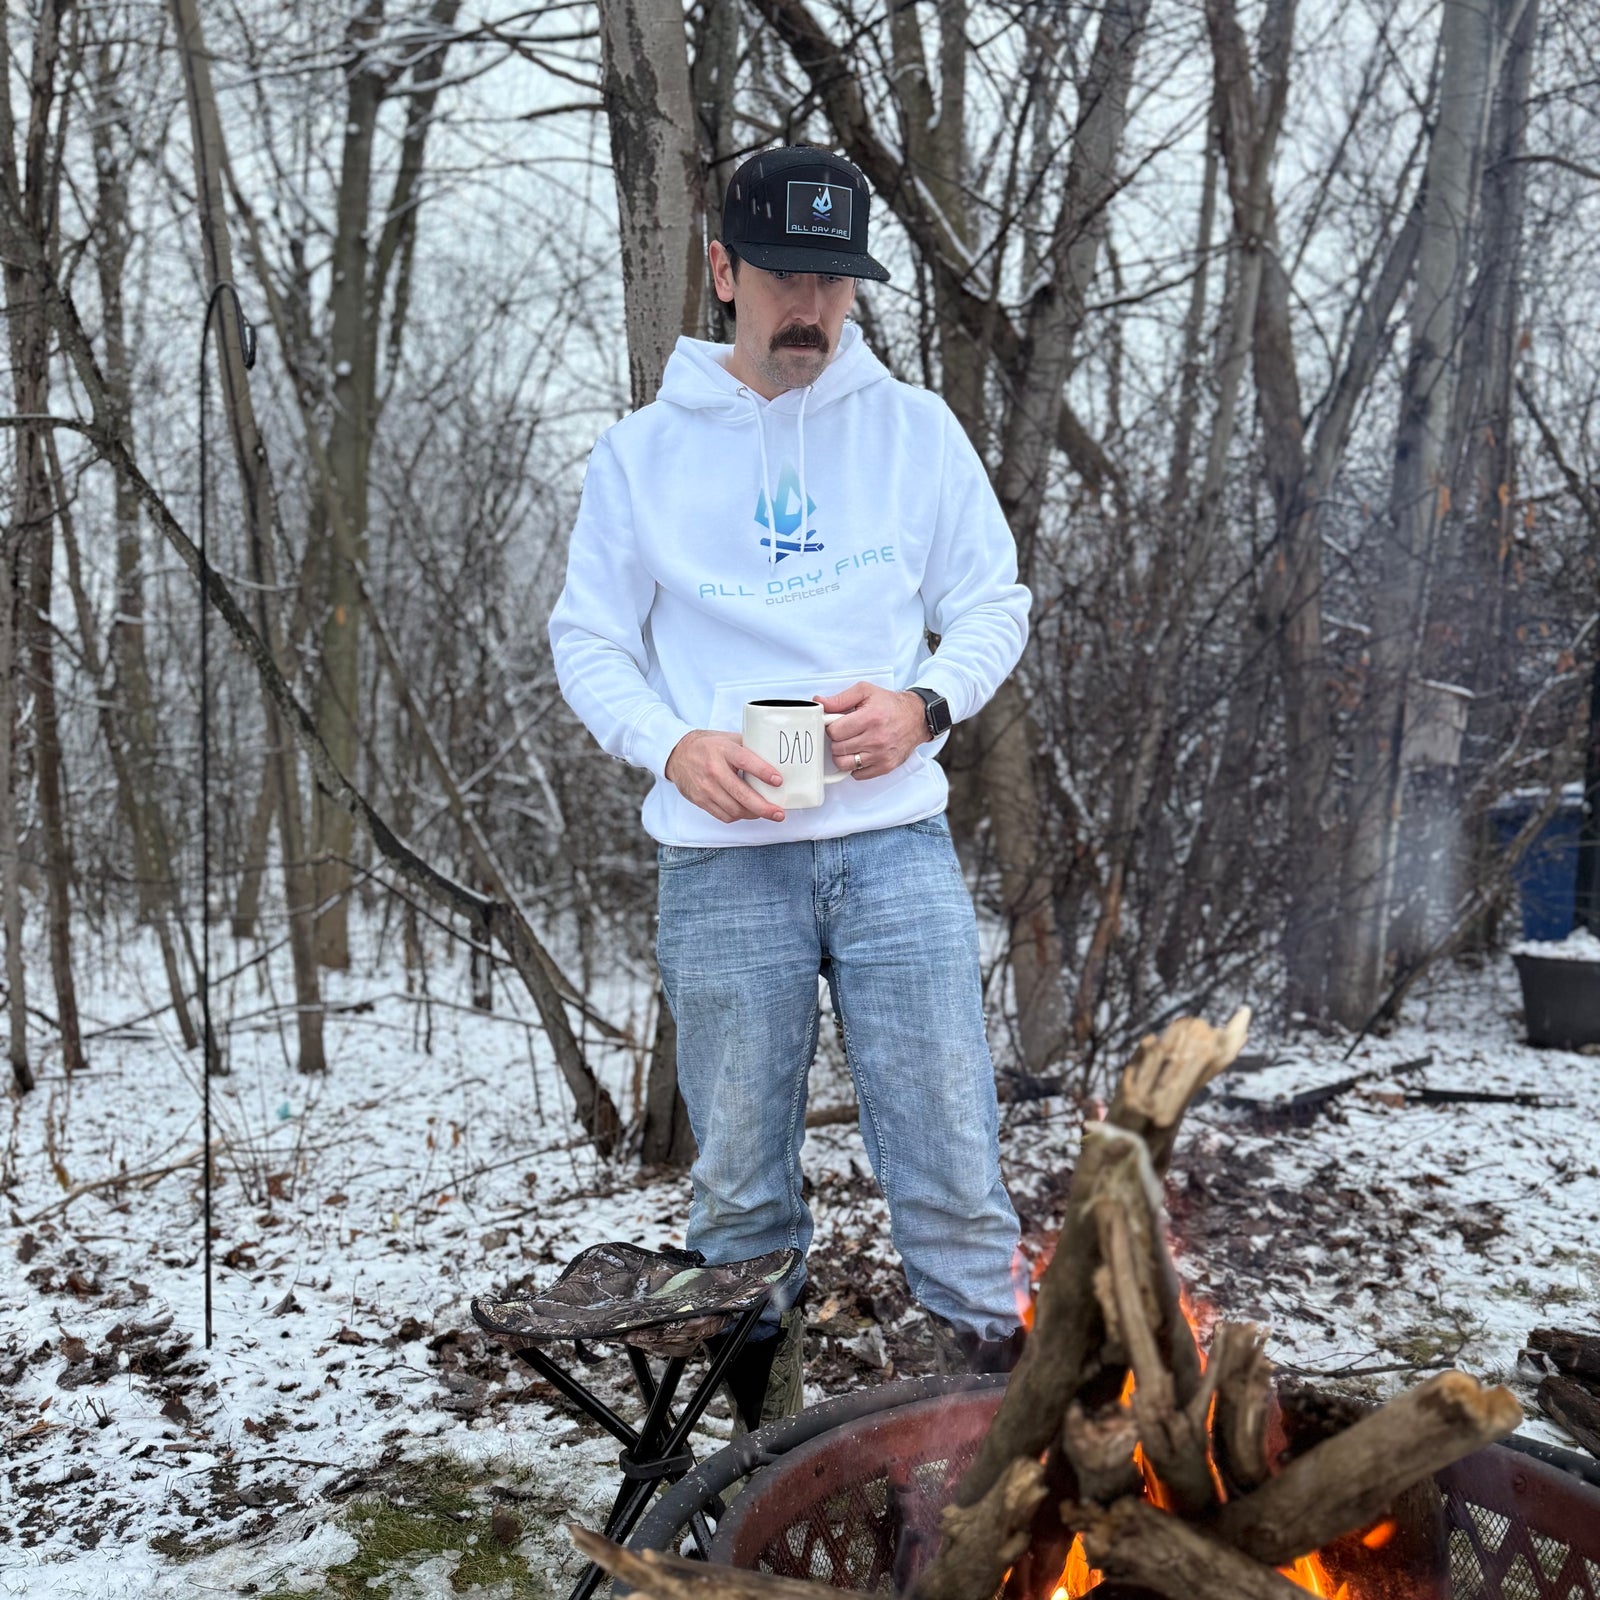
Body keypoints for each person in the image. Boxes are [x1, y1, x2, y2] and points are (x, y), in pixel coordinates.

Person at [549, 147, 1030, 1423]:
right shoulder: (639, 457)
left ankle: (1012, 1448)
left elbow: (993, 602)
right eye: (781, 276)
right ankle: (764, 1458)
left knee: (950, 1164)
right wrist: (670, 744)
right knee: (742, 1194)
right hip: (723, 860)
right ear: (723, 271)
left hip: (894, 851)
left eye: (833, 278)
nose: (808, 305)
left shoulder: (917, 432)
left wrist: (926, 701)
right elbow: (586, 639)